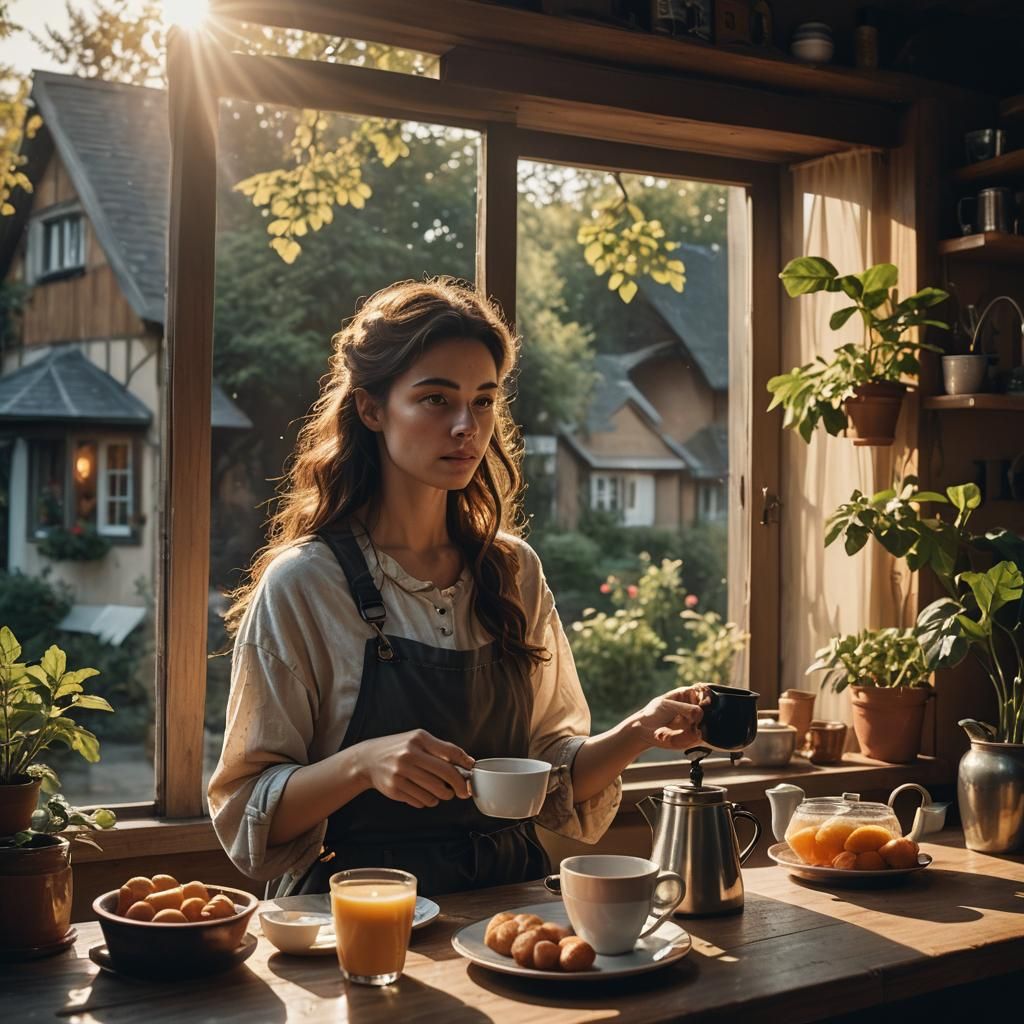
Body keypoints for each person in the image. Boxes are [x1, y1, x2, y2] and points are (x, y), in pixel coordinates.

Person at [208, 278, 710, 898]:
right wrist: (362, 764)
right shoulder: (306, 585)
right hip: (356, 910)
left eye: (482, 400)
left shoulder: (514, 572)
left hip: (507, 905)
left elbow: (550, 775)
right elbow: (245, 813)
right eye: (436, 399)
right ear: (371, 409)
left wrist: (638, 730)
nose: (465, 426)